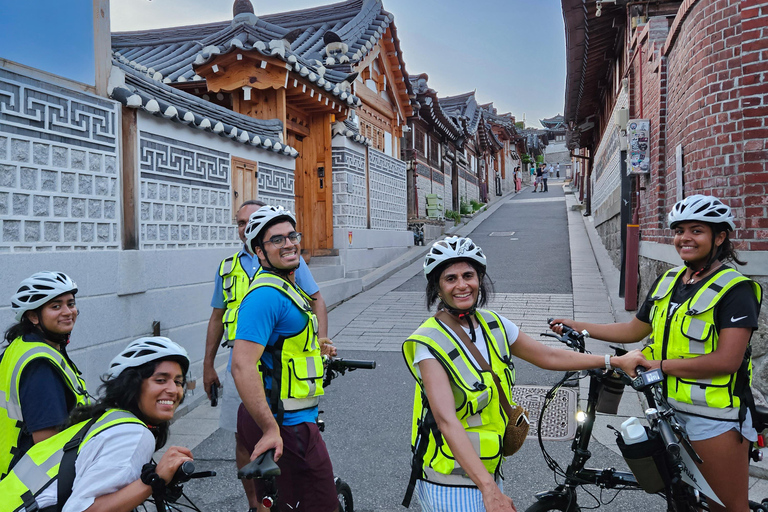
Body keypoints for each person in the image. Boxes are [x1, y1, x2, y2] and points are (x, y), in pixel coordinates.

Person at [402, 236, 646, 512]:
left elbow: (547, 355)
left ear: (480, 278)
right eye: (450, 278)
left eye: (468, 275)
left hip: (487, 467)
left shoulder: (493, 325)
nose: (462, 285)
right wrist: (489, 489)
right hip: (448, 479)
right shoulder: (429, 343)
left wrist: (611, 360)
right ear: (437, 287)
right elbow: (447, 421)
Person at [551, 194, 762, 512]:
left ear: (719, 237)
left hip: (714, 420)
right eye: (679, 230)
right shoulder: (669, 281)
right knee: (681, 499)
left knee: (725, 507)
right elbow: (634, 330)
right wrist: (578, 325)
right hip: (665, 411)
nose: (684, 238)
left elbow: (727, 361)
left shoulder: (735, 290)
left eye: (696, 230)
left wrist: (658, 365)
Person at [202, 200, 331, 512]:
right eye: (277, 240)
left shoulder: (288, 286)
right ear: (259, 252)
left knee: (282, 504)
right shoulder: (265, 296)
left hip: (286, 413)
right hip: (284, 422)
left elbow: (285, 345)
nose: (288, 244)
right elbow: (242, 364)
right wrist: (271, 428)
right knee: (319, 504)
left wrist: (320, 347)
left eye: (291, 236)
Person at [0, 336, 193, 512]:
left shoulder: (109, 419)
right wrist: (155, 480)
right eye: (160, 380)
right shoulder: (133, 433)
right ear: (132, 385)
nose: (173, 390)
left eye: (178, 382)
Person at [0, 271, 90, 479]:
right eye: (56, 306)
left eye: (71, 303)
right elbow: (48, 444)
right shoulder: (40, 366)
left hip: (12, 472)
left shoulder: (20, 346)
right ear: (33, 316)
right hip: (37, 484)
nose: (68, 312)